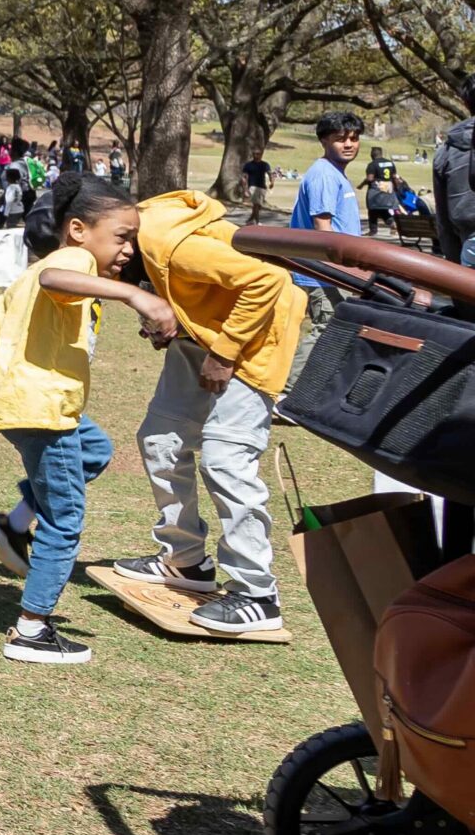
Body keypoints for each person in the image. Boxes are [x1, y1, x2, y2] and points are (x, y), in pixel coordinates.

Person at [0, 178, 180, 666]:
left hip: (27, 402)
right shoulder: (70, 262)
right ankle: (31, 630)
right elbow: (56, 281)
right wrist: (138, 297)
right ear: (79, 229)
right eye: (122, 236)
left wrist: (8, 386)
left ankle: (16, 523)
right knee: (65, 520)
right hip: (42, 406)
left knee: (96, 449)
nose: (129, 249)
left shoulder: (30, 273)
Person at [107, 188, 305, 637]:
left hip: (253, 341)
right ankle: (186, 561)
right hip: (199, 339)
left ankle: (258, 594)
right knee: (160, 439)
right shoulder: (135, 246)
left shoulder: (172, 245)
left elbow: (266, 283)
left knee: (225, 458)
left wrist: (227, 351)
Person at [288, 109, 364, 364]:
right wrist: (340, 271)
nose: (349, 144)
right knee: (325, 330)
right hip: (325, 273)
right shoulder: (324, 174)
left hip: (335, 270)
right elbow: (324, 230)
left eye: (354, 138)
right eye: (341, 139)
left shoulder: (334, 172)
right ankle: (289, 392)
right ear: (324, 141)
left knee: (331, 330)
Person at [437, 71, 475, 268]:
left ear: (466, 103)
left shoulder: (447, 151)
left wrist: (453, 266)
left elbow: (443, 221)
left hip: (469, 244)